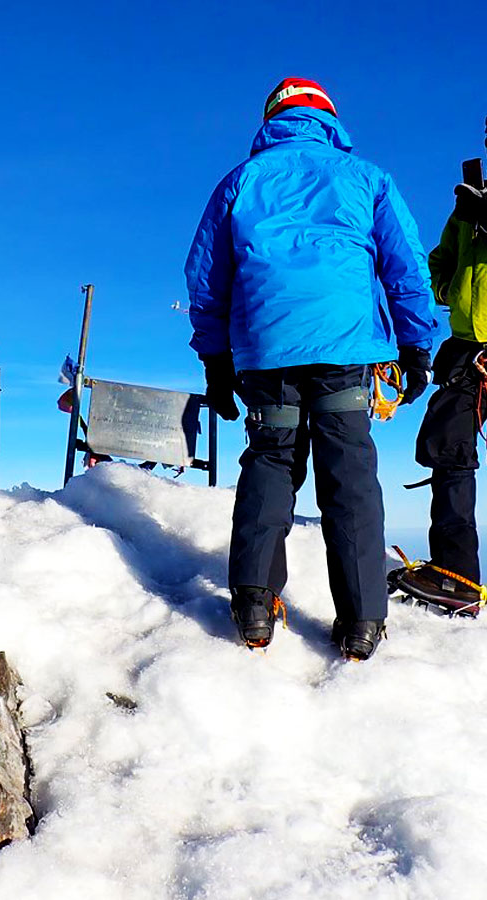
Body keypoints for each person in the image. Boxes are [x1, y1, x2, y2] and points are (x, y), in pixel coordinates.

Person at [185, 77, 438, 660]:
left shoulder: (239, 181)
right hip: (346, 350)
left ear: (271, 118)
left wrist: (215, 363)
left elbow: (206, 281)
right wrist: (416, 345)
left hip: (266, 353)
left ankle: (253, 606)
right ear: (329, 119)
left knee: (271, 463)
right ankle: (362, 622)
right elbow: (406, 268)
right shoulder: (367, 178)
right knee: (348, 475)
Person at [394, 118, 487, 613]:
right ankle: (456, 577)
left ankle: (457, 579)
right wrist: (445, 287)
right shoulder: (471, 200)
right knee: (446, 444)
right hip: (472, 347)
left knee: (449, 445)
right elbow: (440, 261)